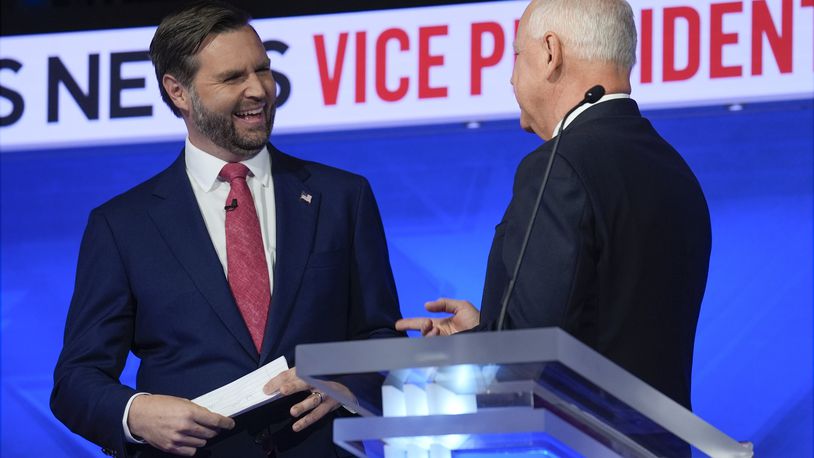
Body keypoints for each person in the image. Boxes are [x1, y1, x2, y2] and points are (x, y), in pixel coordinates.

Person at [50, 1, 402, 456]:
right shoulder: (122, 225)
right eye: (233, 78)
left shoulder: (343, 197)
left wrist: (345, 381)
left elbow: (381, 337)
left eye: (263, 70)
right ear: (178, 92)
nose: (259, 90)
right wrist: (136, 412)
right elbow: (76, 380)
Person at [397, 0, 711, 412]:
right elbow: (605, 323)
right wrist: (491, 328)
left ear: (550, 52)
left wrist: (461, 350)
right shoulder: (675, 170)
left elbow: (532, 356)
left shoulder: (559, 166)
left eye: (515, 56)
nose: (510, 79)